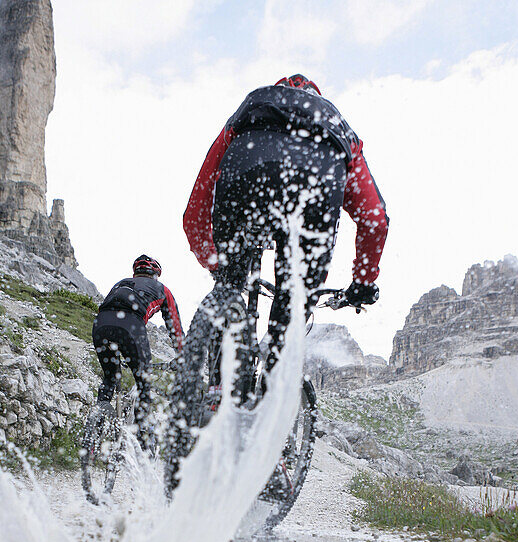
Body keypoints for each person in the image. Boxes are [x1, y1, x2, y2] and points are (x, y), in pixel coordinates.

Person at [183, 73, 389, 371]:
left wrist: (214, 259)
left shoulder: (252, 107)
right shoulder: (340, 130)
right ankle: (273, 376)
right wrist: (362, 282)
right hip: (316, 189)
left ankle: (212, 387)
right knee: (291, 307)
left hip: (244, 171)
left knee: (230, 282)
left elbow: (199, 198)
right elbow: (375, 219)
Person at [92, 254, 183, 448]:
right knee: (144, 382)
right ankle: (141, 441)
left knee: (110, 377)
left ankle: (94, 434)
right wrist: (182, 356)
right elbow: (175, 327)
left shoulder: (121, 283)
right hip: (131, 326)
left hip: (100, 325)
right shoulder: (162, 289)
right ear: (156, 275)